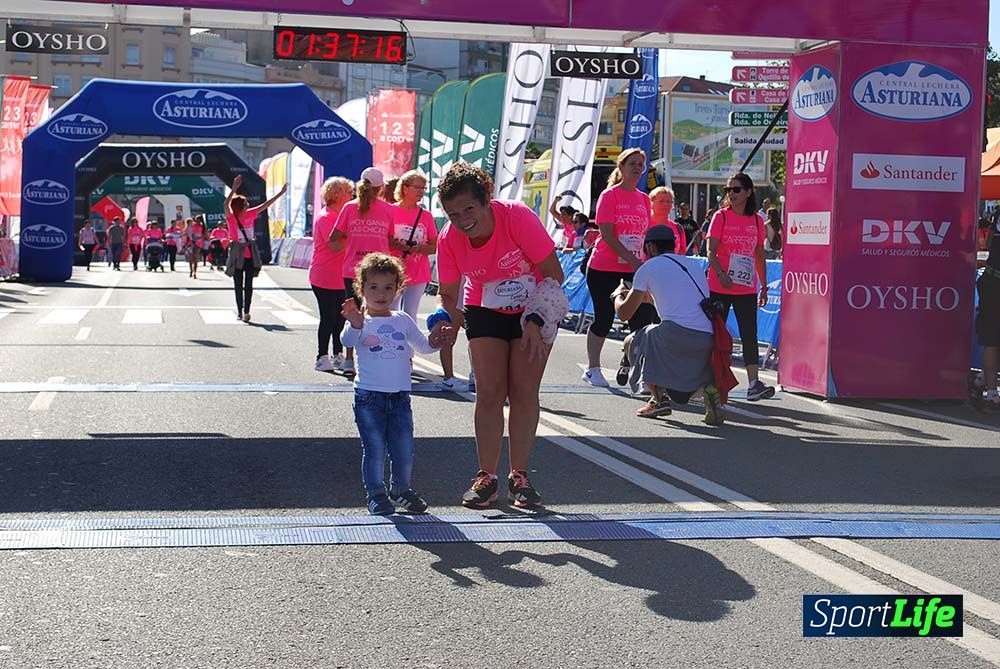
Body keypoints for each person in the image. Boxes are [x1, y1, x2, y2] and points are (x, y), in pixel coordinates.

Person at [434, 162, 566, 509]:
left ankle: (519, 477)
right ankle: (486, 477)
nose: (462, 220)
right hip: (484, 307)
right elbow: (447, 293)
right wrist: (448, 321)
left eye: (469, 209)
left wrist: (537, 319)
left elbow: (554, 273)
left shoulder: (517, 218)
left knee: (523, 391)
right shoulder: (449, 239)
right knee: (490, 392)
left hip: (534, 307)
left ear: (487, 200)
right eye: (452, 214)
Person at [340, 252, 456, 515]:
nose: (381, 293)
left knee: (404, 449)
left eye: (388, 287)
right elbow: (347, 341)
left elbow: (424, 346)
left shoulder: (402, 320)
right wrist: (356, 324)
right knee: (375, 450)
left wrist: (437, 340)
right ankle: (376, 495)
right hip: (369, 398)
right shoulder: (360, 320)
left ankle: (401, 490)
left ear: (398, 288)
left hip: (401, 397)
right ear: (362, 288)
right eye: (373, 287)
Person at [613, 225, 725, 425]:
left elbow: (624, 313)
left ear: (651, 248)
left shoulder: (647, 268)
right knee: (683, 391)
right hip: (706, 336)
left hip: (675, 335)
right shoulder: (693, 265)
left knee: (632, 341)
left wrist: (617, 295)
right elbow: (677, 299)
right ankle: (708, 392)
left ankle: (657, 399)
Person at [582, 147, 658, 387]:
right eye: (632, 163)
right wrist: (632, 259)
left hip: (633, 268)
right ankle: (593, 368)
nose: (637, 167)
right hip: (604, 267)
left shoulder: (644, 199)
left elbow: (645, 235)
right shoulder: (610, 195)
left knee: (642, 319)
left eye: (641, 164)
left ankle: (643, 372)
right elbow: (607, 235)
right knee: (604, 318)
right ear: (621, 167)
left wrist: (646, 261)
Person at [705, 172, 776, 402]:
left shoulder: (756, 220)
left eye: (736, 190)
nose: (731, 194)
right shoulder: (721, 217)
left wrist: (764, 286)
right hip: (721, 285)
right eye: (728, 190)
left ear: (748, 192)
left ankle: (754, 383)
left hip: (746, 287)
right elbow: (710, 251)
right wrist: (721, 273)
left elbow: (759, 255)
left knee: (749, 334)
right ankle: (709, 379)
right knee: (714, 334)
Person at [330, 167, 395, 376]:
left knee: (354, 313)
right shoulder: (387, 209)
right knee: (381, 312)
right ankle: (381, 355)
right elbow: (391, 239)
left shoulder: (349, 207)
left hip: (353, 268)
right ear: (380, 188)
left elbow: (333, 238)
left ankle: (349, 360)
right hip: (380, 268)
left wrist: (351, 244)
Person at [225, 174, 287, 323]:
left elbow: (266, 204)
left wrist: (280, 193)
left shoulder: (251, 214)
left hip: (250, 253)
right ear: (239, 206)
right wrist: (233, 189)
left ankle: (247, 311)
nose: (248, 205)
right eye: (245, 203)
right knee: (238, 284)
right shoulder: (231, 218)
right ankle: (239, 311)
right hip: (236, 253)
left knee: (249, 284)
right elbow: (225, 204)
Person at [310, 176, 354, 372]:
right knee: (327, 317)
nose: (351, 196)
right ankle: (321, 356)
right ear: (337, 195)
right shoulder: (326, 216)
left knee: (340, 318)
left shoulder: (342, 217)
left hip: (340, 276)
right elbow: (335, 245)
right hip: (324, 275)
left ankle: (337, 353)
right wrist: (355, 235)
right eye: (348, 192)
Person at [389, 169, 437, 321]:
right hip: (393, 270)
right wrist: (397, 245)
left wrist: (420, 248)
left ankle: (408, 345)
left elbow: (434, 245)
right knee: (391, 311)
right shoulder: (390, 211)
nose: (421, 191)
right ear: (405, 187)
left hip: (418, 272)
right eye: (417, 187)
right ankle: (391, 344)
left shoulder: (426, 215)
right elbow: (382, 239)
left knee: (410, 314)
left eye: (423, 188)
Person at [974, 211, 1000, 412]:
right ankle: (990, 390)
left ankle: (988, 386)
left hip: (991, 278)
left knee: (991, 337)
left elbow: (989, 242)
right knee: (992, 338)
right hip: (994, 280)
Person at [649, 187, 687, 255]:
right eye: (661, 201)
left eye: (669, 202)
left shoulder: (678, 228)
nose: (665, 204)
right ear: (651, 203)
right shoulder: (644, 225)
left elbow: (681, 253)